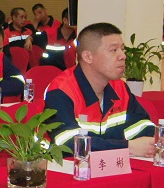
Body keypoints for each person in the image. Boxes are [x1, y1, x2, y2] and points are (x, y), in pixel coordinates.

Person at [43, 22, 155, 154]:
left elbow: (142, 126)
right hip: (59, 165)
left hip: (107, 164)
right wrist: (128, 147)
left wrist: (153, 140)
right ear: (88, 57)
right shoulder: (61, 91)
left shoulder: (119, 87)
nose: (123, 56)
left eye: (122, 49)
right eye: (113, 50)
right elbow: (68, 144)